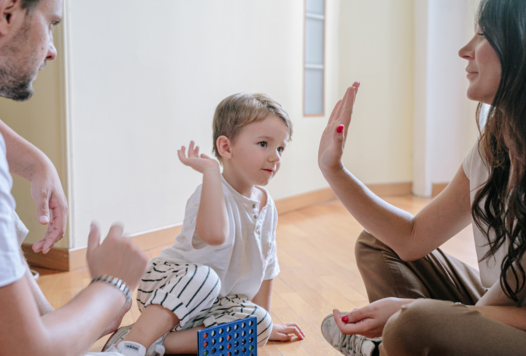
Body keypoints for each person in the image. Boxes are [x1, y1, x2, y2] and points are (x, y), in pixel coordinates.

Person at [318, 0, 526, 355]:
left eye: (482, 35)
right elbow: (412, 238)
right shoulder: (493, 144)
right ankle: (398, 343)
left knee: (413, 323)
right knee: (376, 244)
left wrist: (408, 312)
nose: (464, 51)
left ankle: (394, 341)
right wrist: (333, 170)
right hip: (499, 306)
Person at [0, 1, 148, 355]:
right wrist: (111, 286)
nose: (52, 52)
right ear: (7, 12)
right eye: (51, 24)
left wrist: (34, 162)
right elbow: (21, 351)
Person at [97, 93, 305, 356]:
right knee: (206, 278)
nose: (275, 157)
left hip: (216, 307)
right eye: (264, 144)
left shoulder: (267, 204)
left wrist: (267, 320)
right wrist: (210, 173)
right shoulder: (209, 192)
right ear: (226, 148)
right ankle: (133, 343)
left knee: (259, 325)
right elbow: (216, 235)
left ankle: (152, 343)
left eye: (280, 148)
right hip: (173, 289)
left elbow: (267, 265)